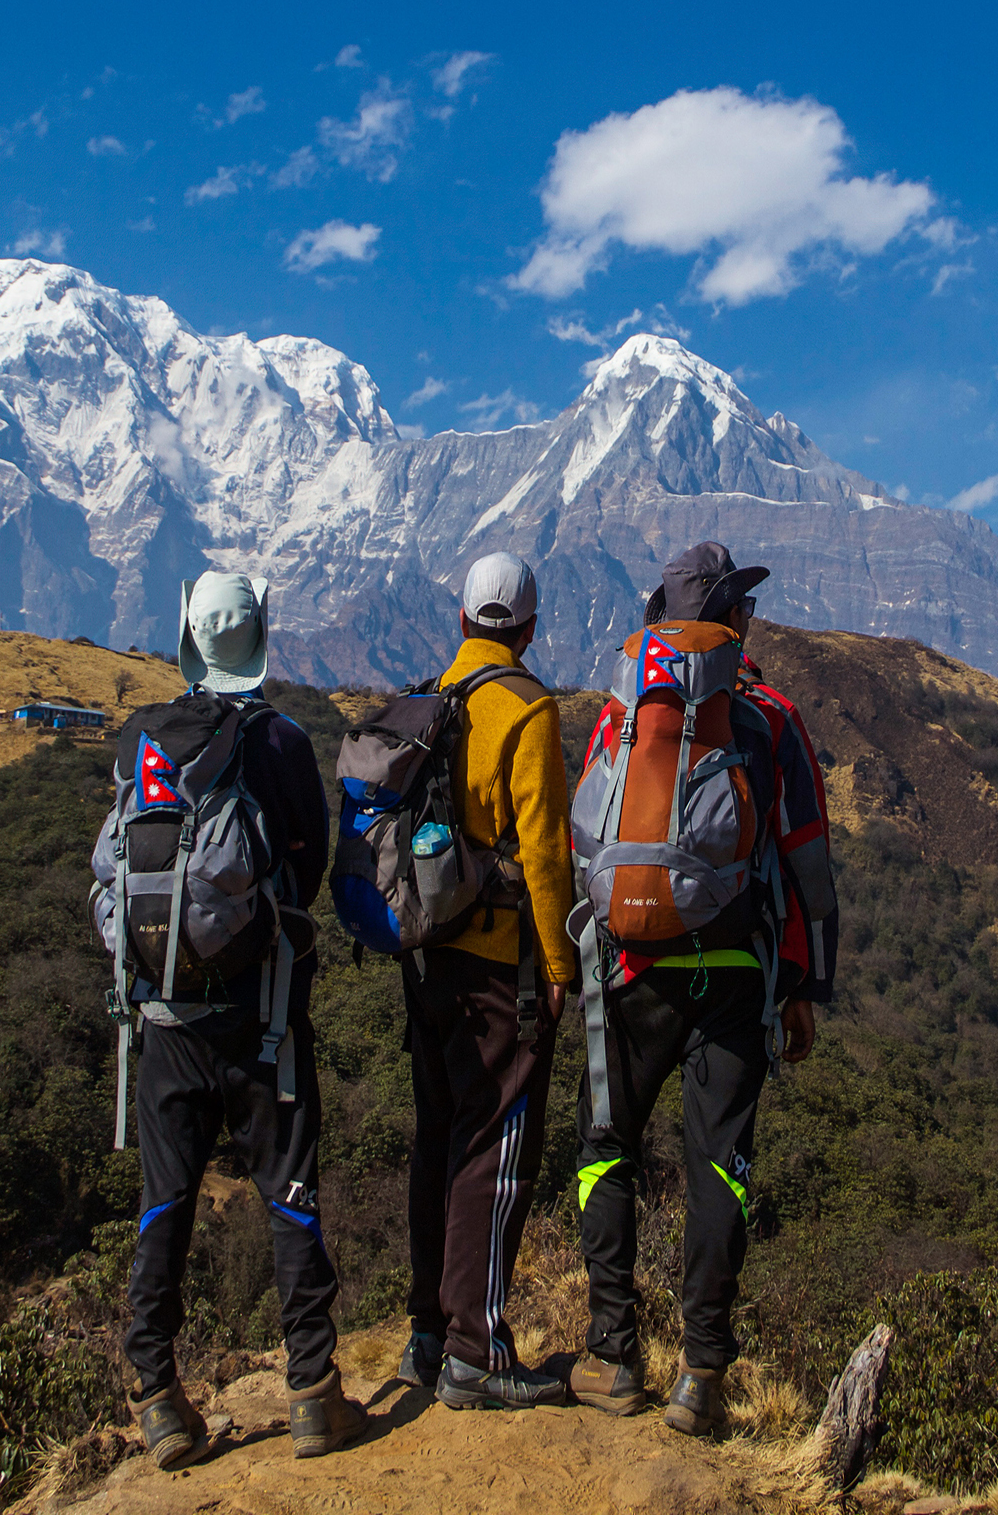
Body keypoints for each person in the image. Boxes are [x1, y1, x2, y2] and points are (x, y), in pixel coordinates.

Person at [96, 572, 368, 1466]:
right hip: (262, 1018)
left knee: (164, 1204)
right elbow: (313, 861)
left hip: (162, 1020)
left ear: (187, 639)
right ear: (260, 639)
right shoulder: (282, 741)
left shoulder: (141, 740)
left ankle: (157, 1397)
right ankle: (312, 1395)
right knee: (289, 1194)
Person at [570, 542, 840, 1436]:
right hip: (732, 974)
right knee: (718, 1165)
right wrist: (804, 983)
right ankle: (702, 1376)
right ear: (736, 622)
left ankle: (613, 1355)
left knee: (607, 1146)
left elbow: (590, 848)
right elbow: (806, 863)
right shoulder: (768, 719)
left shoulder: (619, 715)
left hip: (629, 970)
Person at [397, 553, 583, 1409]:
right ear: (532, 629)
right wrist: (558, 966)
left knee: (439, 1137)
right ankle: (478, 1352)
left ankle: (428, 1335)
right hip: (496, 965)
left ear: (464, 621)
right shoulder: (528, 709)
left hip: (426, 956)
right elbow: (546, 851)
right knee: (498, 1148)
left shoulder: (432, 698)